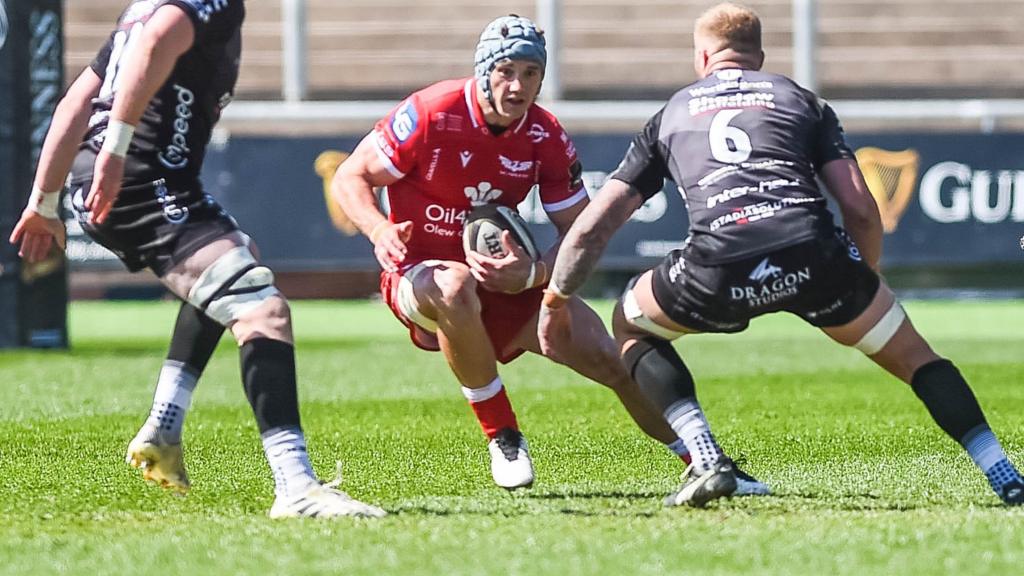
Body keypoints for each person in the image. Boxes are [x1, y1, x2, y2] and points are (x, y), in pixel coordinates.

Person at [539, 2, 1024, 507]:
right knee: (916, 358)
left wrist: (554, 303)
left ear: (702, 56)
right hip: (813, 256)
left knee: (631, 324)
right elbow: (859, 207)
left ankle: (706, 459)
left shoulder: (672, 114)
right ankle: (1003, 473)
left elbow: (594, 228)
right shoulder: (798, 98)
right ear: (761, 55)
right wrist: (864, 280)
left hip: (717, 264)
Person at [332, 14, 767, 494]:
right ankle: (503, 435)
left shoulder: (545, 135)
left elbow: (579, 231)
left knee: (615, 359)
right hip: (419, 275)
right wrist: (378, 230)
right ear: (484, 70)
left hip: (505, 283)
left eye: (531, 74)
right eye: (506, 71)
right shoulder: (432, 111)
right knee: (455, 285)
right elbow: (351, 176)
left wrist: (533, 272)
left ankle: (706, 462)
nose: (517, 86)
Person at [9, 0, 384, 519]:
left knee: (239, 261)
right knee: (262, 310)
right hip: (141, 181)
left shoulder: (140, 8)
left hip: (132, 177)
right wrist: (116, 154)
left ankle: (164, 427)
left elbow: (76, 99)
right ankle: (295, 486)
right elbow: (159, 37)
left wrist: (43, 202)